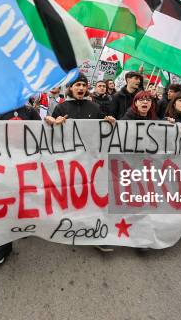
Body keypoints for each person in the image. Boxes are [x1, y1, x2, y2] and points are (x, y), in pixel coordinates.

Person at [48, 74, 115, 252]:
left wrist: (108, 121)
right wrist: (54, 123)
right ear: (70, 88)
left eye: (84, 85)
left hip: (90, 161)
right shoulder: (61, 108)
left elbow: (102, 130)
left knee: (92, 198)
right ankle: (69, 226)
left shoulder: (94, 106)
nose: (81, 88)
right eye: (77, 85)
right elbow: (51, 136)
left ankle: (95, 234)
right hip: (69, 162)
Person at [0, 104, 42, 266]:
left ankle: (22, 227)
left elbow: (42, 131)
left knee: (24, 200)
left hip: (25, 164)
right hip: (2, 164)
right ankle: (0, 248)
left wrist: (52, 122)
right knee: (4, 205)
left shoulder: (31, 111)